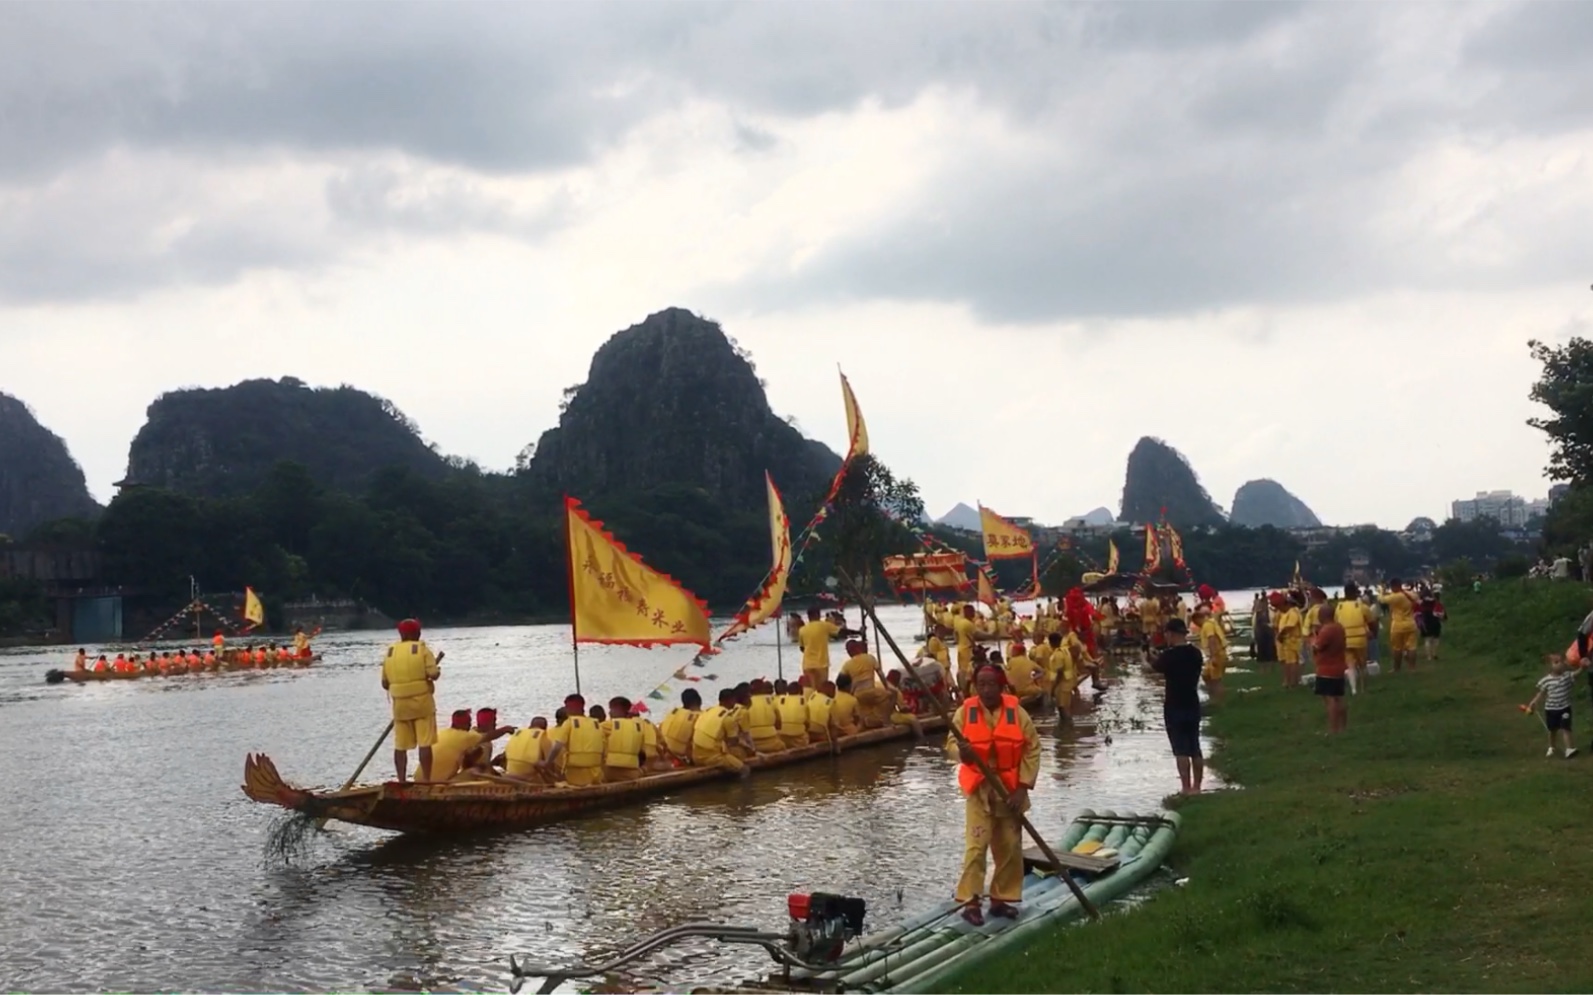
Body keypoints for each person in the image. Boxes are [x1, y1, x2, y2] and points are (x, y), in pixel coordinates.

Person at [949, 663, 1041, 926]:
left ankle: (1000, 900)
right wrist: (961, 753)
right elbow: (951, 743)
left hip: (1010, 791)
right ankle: (971, 902)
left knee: (1009, 848)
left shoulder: (1017, 713)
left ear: (1001, 686)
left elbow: (1032, 748)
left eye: (991, 684)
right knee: (976, 848)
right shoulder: (965, 712)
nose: (987, 689)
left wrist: (1023, 787)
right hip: (979, 789)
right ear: (975, 686)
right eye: (982, 684)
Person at [380, 618, 443, 783]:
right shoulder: (422, 649)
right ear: (415, 633)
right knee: (425, 743)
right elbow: (434, 674)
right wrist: (436, 672)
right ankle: (426, 780)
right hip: (422, 704)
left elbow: (385, 683)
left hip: (400, 705)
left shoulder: (390, 652)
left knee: (400, 745)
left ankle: (401, 780)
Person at [1151, 619, 1205, 794]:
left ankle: (1185, 787)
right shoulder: (1196, 653)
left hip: (1174, 705)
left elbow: (1154, 668)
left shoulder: (1168, 656)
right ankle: (1197, 787)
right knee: (1195, 747)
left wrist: (1145, 659)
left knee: (1180, 749)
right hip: (1193, 702)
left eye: (1166, 633)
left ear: (1171, 634)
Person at [542, 694, 607, 786]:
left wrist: (547, 763)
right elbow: (604, 749)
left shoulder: (569, 723)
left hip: (575, 775)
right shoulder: (596, 724)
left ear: (569, 708)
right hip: (595, 775)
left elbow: (557, 747)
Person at [1525, 655, 1580, 758]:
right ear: (1550, 667)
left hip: (1565, 708)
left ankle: (1569, 749)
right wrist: (1534, 702)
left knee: (1566, 727)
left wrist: (1582, 667)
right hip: (1551, 709)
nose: (1560, 664)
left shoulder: (1567, 676)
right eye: (1556, 662)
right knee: (1552, 730)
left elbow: (1576, 674)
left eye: (1561, 662)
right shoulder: (1546, 680)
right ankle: (1552, 747)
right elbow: (1541, 693)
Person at [691, 688, 753, 772]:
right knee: (745, 769)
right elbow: (732, 742)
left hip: (695, 756)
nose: (735, 703)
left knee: (737, 754)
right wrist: (749, 748)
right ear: (729, 700)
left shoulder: (708, 711)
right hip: (712, 757)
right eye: (733, 700)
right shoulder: (728, 718)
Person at [601, 697, 657, 782]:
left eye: (611, 709)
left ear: (618, 709)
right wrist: (644, 769)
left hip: (608, 773)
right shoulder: (638, 727)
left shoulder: (608, 725)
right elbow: (648, 753)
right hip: (632, 775)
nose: (609, 712)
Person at [1312, 603, 1348, 734]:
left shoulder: (1326, 630)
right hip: (1339, 666)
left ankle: (1333, 729)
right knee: (1339, 698)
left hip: (1326, 668)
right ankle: (1343, 727)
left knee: (1330, 699)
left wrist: (1314, 636)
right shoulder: (1339, 627)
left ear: (1322, 615)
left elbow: (1317, 646)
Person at [1334, 583, 1373, 694]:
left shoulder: (1339, 607)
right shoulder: (1361, 606)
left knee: (1350, 665)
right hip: (1360, 638)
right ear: (1356, 592)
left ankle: (1353, 689)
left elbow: (1336, 622)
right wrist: (1371, 633)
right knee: (1362, 665)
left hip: (1345, 639)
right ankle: (1364, 688)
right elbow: (1371, 621)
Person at [798, 606, 845, 691]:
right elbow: (841, 632)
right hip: (821, 664)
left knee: (810, 689)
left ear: (808, 616)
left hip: (807, 664)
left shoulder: (802, 630)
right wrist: (859, 632)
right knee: (822, 689)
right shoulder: (824, 625)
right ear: (817, 615)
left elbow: (802, 648)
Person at [1379, 579, 1420, 673]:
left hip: (1398, 625)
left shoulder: (1395, 596)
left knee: (1397, 648)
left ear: (1394, 586)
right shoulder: (1411, 594)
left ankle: (1397, 668)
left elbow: (1382, 600)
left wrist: (1381, 591)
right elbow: (1417, 598)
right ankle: (1412, 668)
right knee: (1412, 647)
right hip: (1411, 623)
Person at [659, 689, 704, 764]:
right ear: (699, 701)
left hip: (665, 753)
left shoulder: (673, 712)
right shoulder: (699, 717)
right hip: (683, 758)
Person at [501, 717, 552, 783]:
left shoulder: (518, 733)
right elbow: (549, 761)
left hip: (510, 774)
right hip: (528, 777)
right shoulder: (543, 735)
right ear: (545, 728)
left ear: (530, 726)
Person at [1194, 607, 1227, 702]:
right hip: (1213, 655)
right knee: (1206, 676)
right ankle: (1212, 696)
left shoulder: (1207, 625)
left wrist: (1213, 657)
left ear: (1198, 619)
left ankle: (1219, 701)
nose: (1197, 625)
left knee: (1216, 680)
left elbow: (1212, 639)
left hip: (1216, 655)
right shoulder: (1211, 622)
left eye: (1196, 623)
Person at [953, 604, 980, 694]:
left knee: (962, 670)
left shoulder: (959, 622)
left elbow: (955, 636)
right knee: (968, 671)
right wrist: (992, 635)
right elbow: (978, 634)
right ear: (967, 612)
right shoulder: (968, 623)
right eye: (972, 611)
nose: (973, 613)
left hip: (961, 648)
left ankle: (963, 691)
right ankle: (967, 692)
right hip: (967, 650)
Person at [1418, 589, 1445, 662]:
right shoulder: (1436, 602)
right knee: (1436, 639)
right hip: (1435, 621)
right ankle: (1434, 653)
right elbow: (1441, 613)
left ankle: (1429, 656)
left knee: (1427, 640)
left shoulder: (1421, 603)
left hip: (1425, 622)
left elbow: (1418, 612)